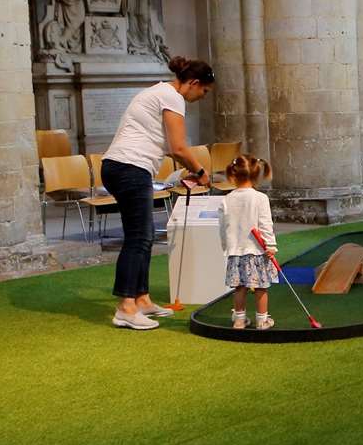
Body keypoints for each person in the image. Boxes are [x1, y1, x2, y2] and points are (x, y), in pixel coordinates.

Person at [100, 55, 213, 330]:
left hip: (119, 166)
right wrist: (200, 172)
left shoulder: (156, 91)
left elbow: (162, 144)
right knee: (139, 237)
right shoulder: (172, 97)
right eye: (204, 92)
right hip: (130, 167)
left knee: (144, 235)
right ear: (194, 83)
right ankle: (126, 307)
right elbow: (178, 147)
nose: (202, 97)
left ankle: (142, 299)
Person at [219, 155, 277, 329]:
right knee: (260, 288)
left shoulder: (226, 199)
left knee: (239, 288)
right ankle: (262, 320)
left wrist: (226, 246)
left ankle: (239, 320)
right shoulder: (260, 198)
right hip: (257, 251)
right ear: (255, 175)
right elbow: (266, 223)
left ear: (233, 175)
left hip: (236, 252)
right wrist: (271, 245)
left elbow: (223, 227)